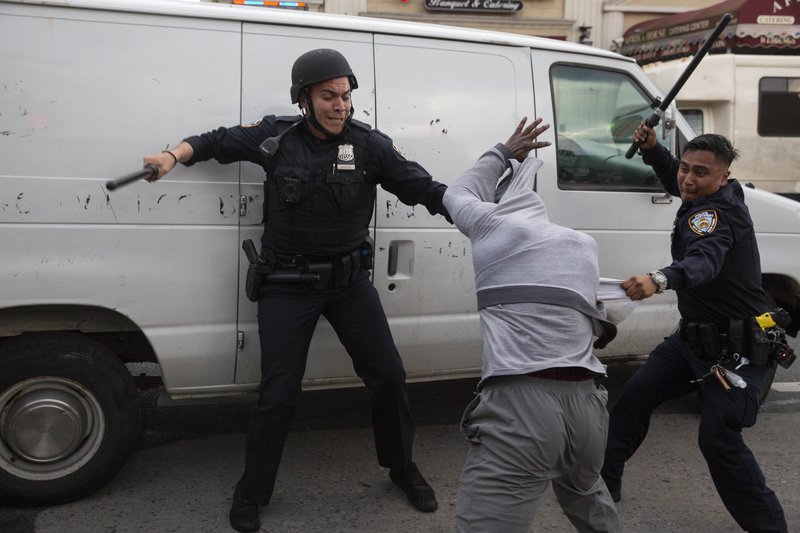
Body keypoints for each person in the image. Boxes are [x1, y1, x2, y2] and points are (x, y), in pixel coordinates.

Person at [143, 49, 447, 533]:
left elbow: (426, 189)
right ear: (304, 99)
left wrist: (478, 214)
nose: (341, 105)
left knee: (389, 377)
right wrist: (170, 156)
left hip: (349, 285)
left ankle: (402, 468)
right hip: (288, 285)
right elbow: (213, 142)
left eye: (346, 95)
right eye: (329, 96)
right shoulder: (275, 139)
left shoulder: (370, 146)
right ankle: (252, 493)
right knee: (279, 394)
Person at [601, 124, 788, 532]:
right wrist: (654, 151)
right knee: (633, 399)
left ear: (723, 177)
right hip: (692, 342)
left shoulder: (716, 216)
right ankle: (601, 487)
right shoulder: (716, 192)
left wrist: (660, 279)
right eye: (686, 167)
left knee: (718, 438)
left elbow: (704, 261)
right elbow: (678, 180)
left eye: (700, 172)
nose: (687, 178)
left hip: (738, 351)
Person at [443, 117, 621, 533]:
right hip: (588, 408)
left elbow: (459, 192)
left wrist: (503, 153)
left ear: (497, 206)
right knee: (590, 507)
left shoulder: (492, 225)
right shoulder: (581, 244)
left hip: (524, 408)